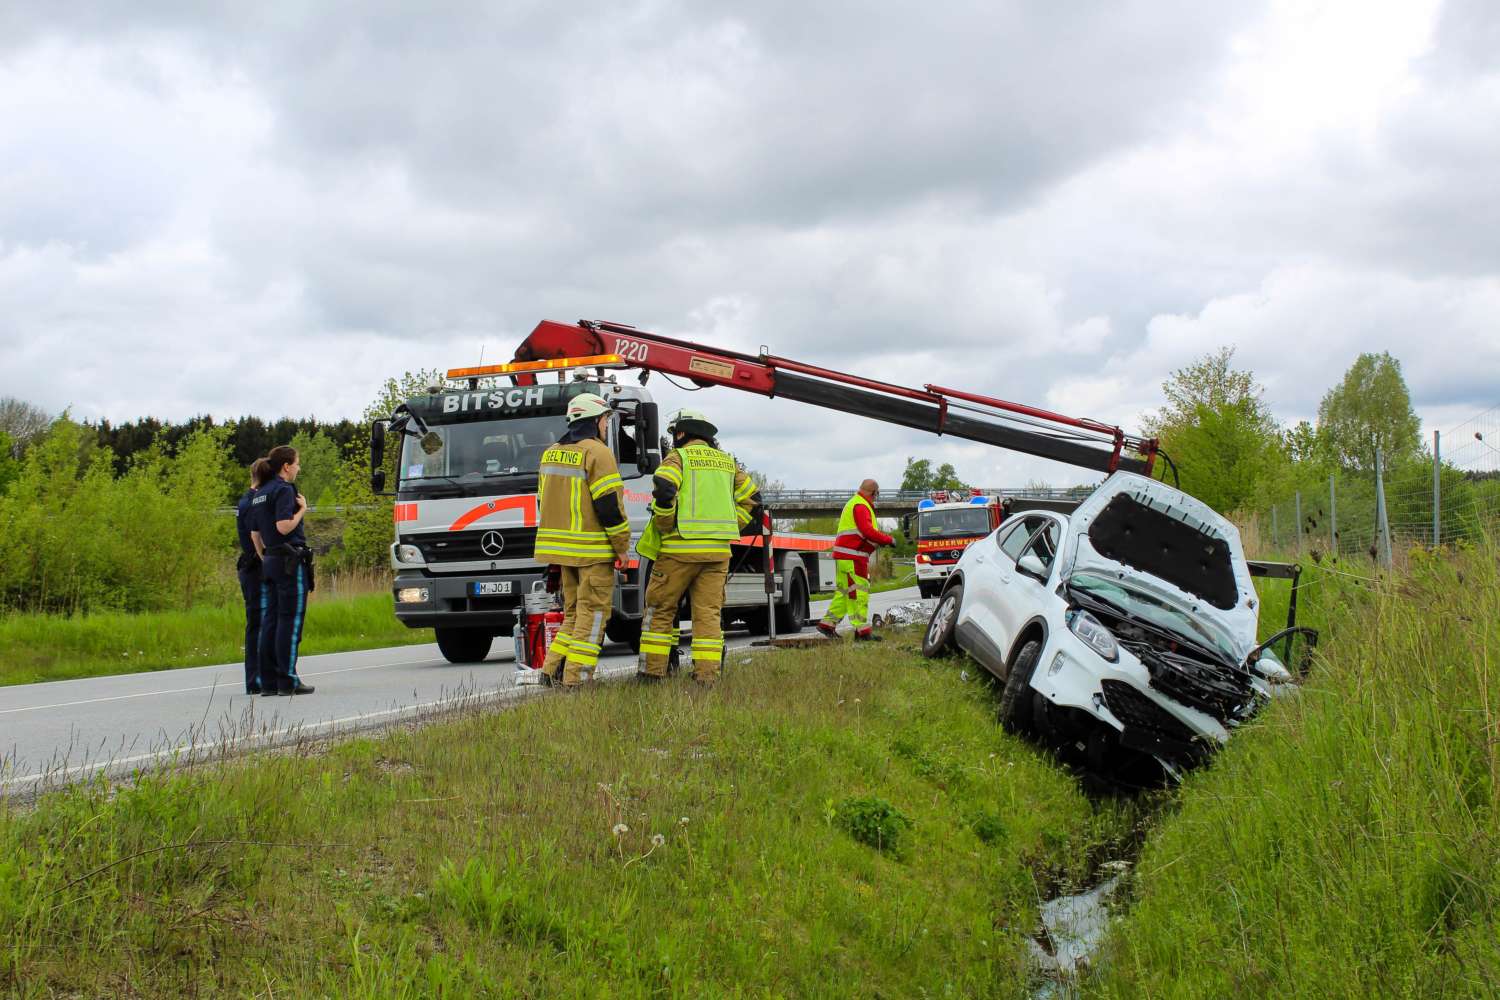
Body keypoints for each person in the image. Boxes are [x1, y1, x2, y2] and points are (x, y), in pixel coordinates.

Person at [636, 407, 761, 684]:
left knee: (660, 610)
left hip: (678, 551)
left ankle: (652, 674)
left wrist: (665, 523)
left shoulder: (678, 457)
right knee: (708, 615)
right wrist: (731, 525)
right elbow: (753, 499)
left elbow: (664, 487)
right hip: (717, 553)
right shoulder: (727, 463)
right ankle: (706, 678)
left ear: (681, 434)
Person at [536, 393, 631, 688]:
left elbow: (542, 501)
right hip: (592, 552)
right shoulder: (598, 453)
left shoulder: (550, 453)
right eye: (605, 420)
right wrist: (622, 548)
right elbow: (609, 506)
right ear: (596, 420)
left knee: (574, 615)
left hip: (562, 553)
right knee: (594, 616)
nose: (605, 426)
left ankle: (551, 671)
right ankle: (577, 679)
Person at [253, 445, 316, 696]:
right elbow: (283, 526)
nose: (299, 468)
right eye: (297, 463)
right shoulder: (284, 490)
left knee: (270, 620)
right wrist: (302, 510)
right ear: (287, 466)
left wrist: (266, 557)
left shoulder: (260, 492)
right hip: (289, 561)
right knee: (290, 620)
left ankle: (268, 681)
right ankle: (287, 679)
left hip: (270, 560)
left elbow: (256, 533)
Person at [816, 479, 894, 642]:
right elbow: (867, 531)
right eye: (876, 494)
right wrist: (888, 539)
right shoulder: (861, 505)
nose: (876, 498)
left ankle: (827, 625)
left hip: (845, 556)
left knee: (845, 592)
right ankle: (862, 632)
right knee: (860, 592)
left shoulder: (854, 503)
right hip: (853, 556)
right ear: (874, 493)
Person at [236, 459, 272, 695]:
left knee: (261, 621)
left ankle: (262, 675)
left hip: (253, 566)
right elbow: (255, 536)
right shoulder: (252, 503)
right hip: (255, 566)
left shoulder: (248, 500)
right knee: (258, 622)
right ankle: (255, 678)